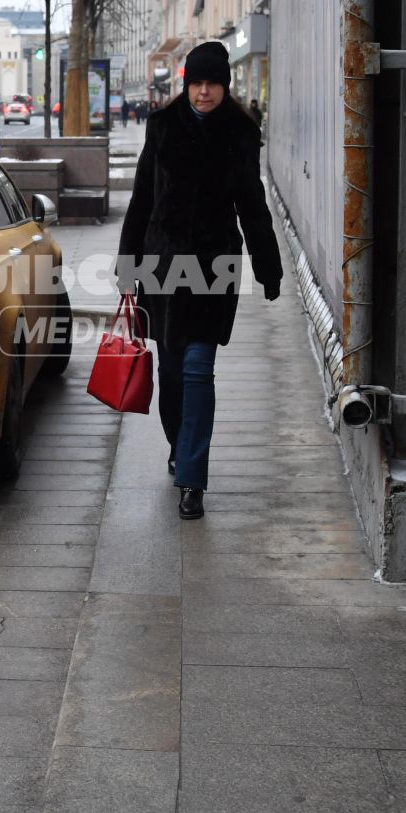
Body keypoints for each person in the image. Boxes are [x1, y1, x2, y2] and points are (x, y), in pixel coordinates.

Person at [117, 41, 282, 520]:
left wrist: (267, 267)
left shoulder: (240, 133)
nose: (204, 91)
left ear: (224, 86)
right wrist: (129, 266)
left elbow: (252, 205)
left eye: (212, 83)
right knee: (171, 374)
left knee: (196, 369)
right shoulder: (163, 127)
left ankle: (193, 477)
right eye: (196, 82)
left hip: (214, 265)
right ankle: (179, 443)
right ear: (187, 84)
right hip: (162, 263)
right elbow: (142, 200)